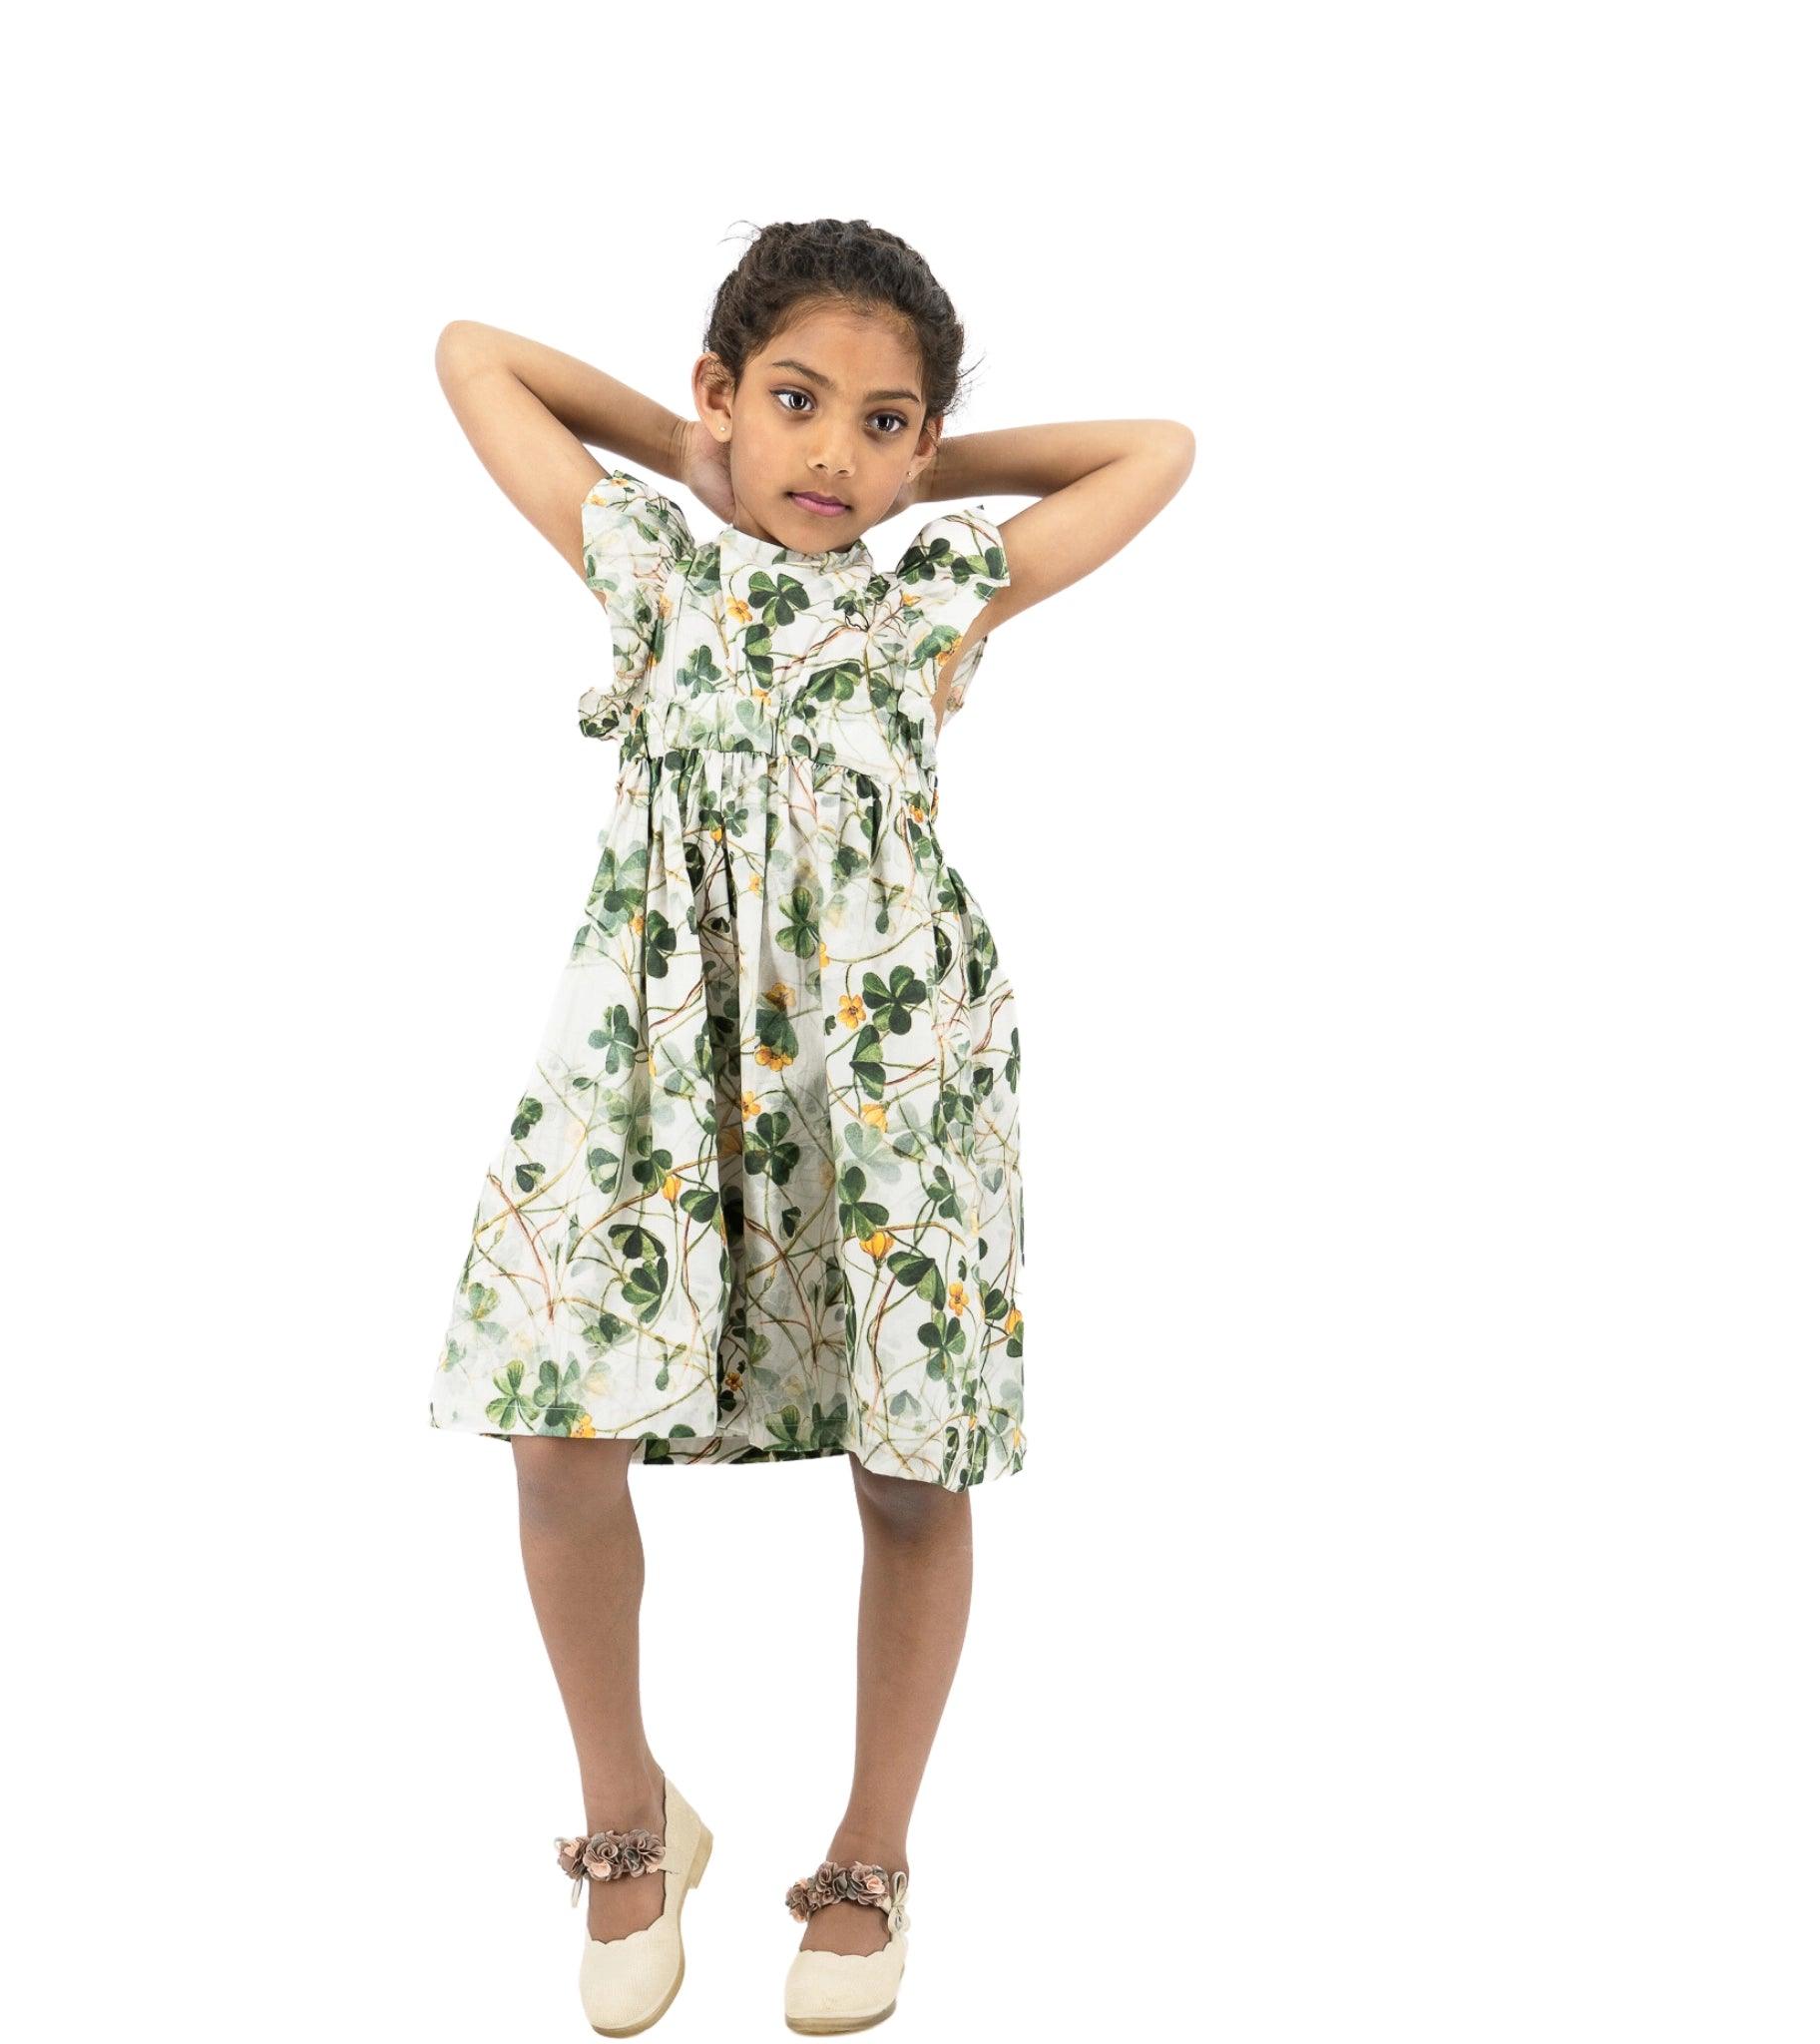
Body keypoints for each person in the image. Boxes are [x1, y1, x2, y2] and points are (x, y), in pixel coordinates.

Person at [426, 218, 1194, 2036]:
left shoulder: (936, 591)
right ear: (719, 399)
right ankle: (630, 1822)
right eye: (794, 405)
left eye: (882, 423)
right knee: (558, 1434)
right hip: (652, 1049)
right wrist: (686, 459)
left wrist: (942, 475)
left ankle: (871, 1855)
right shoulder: (656, 567)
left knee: (911, 1462)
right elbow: (473, 349)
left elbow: (1155, 454)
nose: (835, 456)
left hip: (893, 1069)